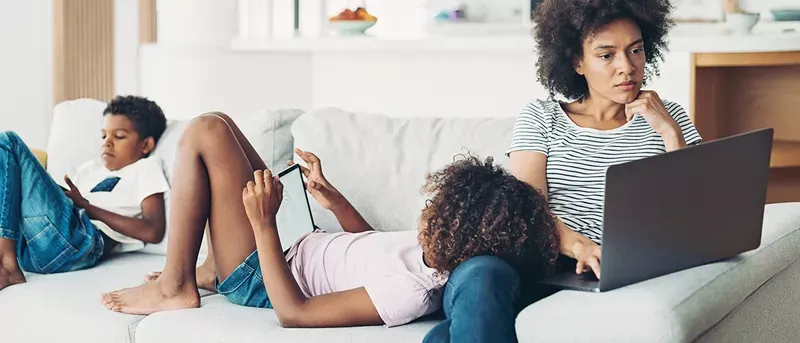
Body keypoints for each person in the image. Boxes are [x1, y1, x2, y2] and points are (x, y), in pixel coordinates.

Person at [100, 112, 559, 329]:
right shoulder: (428, 255)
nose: (427, 212)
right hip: (298, 240)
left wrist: (263, 224)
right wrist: (333, 199)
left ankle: (176, 285)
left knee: (206, 131)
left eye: (438, 212)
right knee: (224, 122)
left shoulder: (411, 292)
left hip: (263, 276)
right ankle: (208, 270)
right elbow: (369, 246)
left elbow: (294, 313)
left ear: (456, 233)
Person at [422, 0, 703, 341]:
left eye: (636, 50)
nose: (627, 67)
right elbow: (527, 211)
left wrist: (670, 133)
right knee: (482, 276)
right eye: (606, 55)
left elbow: (697, 216)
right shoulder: (542, 118)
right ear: (576, 61)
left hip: (606, 274)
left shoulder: (668, 119)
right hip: (530, 266)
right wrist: (580, 247)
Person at [0, 95, 169, 291]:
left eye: (119, 136)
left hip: (82, 241)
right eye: (104, 135)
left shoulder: (145, 168)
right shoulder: (90, 168)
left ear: (146, 145)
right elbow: (65, 208)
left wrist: (86, 207)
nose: (107, 143)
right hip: (33, 248)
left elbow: (153, 231)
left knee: (8, 143)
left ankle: (6, 263)